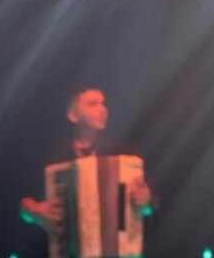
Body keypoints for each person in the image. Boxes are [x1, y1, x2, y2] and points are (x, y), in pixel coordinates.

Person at [19, 88, 152, 234]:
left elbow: (150, 205)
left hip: (118, 245)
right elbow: (23, 205)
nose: (103, 110)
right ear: (73, 115)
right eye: (93, 104)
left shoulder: (122, 152)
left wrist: (145, 202)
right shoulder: (55, 156)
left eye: (103, 103)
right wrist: (34, 212)